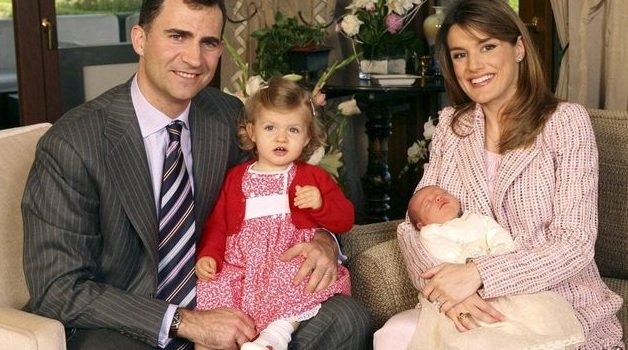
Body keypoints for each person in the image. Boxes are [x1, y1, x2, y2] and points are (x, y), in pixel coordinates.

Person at [21, 0, 371, 349]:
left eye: (209, 42)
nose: (194, 59)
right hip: (130, 323)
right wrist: (184, 322)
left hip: (236, 301)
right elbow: (58, 288)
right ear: (140, 39)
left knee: (345, 318)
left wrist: (324, 239)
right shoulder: (73, 143)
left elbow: (280, 185)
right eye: (177, 36)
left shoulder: (226, 115)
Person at [374, 0, 624, 349]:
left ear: (519, 48)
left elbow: (575, 243)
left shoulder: (565, 122)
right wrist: (449, 294)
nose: (474, 66)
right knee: (392, 335)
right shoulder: (452, 127)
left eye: (487, 47)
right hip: (468, 309)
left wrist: (477, 274)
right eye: (460, 55)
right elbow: (412, 227)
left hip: (558, 306)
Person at [194, 76, 354, 350]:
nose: (281, 137)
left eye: (293, 130)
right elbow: (217, 224)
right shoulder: (235, 179)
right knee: (215, 288)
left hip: (285, 257)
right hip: (244, 263)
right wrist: (208, 254)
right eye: (270, 128)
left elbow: (346, 219)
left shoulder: (312, 176)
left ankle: (275, 336)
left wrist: (321, 205)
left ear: (306, 138)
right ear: (252, 132)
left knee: (296, 276)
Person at [404, 185, 585, 349]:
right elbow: (445, 256)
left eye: (441, 193)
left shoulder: (476, 219)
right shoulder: (431, 232)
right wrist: (462, 274)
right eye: (428, 203)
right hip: (460, 288)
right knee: (467, 334)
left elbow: (500, 238)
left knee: (531, 316)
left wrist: (488, 266)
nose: (437, 198)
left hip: (503, 277)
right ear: (420, 224)